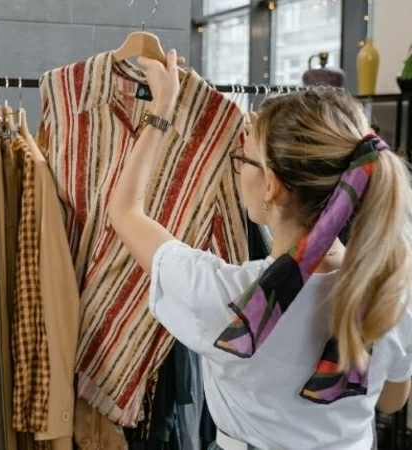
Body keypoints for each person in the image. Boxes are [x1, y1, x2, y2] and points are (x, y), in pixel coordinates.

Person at [108, 49, 412, 449]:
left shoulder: (231, 301)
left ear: (272, 185)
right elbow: (392, 399)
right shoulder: (393, 286)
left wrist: (162, 108)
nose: (239, 169)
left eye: (243, 160)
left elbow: (125, 211)